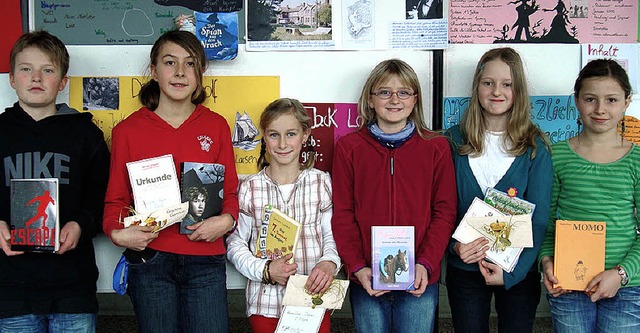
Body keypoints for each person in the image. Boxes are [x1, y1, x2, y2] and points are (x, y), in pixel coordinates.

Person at [102, 30, 239, 333]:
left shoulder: (216, 126)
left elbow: (229, 192)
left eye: (190, 64)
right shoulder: (128, 131)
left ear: (201, 72)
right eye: (169, 62)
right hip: (150, 260)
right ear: (153, 71)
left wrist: (226, 220)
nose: (179, 72)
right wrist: (117, 233)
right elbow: (115, 202)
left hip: (205, 259)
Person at [331, 59, 457, 332]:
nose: (394, 100)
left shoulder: (436, 147)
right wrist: (356, 266)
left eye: (404, 92)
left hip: (419, 278)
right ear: (371, 99)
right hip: (367, 278)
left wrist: (426, 262)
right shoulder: (349, 148)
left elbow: (445, 212)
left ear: (415, 99)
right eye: (384, 92)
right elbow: (342, 214)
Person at [0, 31, 110, 332]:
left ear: (62, 82)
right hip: (10, 288)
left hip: (72, 286)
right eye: (26, 69)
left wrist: (81, 225)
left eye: (47, 70)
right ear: (12, 78)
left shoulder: (86, 136)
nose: (36, 77)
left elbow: (103, 198)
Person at [444, 47, 552, 333]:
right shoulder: (452, 142)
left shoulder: (534, 146)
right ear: (477, 86)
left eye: (507, 84)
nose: (496, 91)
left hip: (517, 272)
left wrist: (512, 273)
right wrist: (454, 247)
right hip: (465, 268)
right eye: (488, 83)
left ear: (518, 91)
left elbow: (539, 219)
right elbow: (440, 209)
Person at [538, 59, 640, 332]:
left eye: (611, 100)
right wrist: (547, 261)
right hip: (569, 282)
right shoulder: (557, 154)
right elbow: (547, 223)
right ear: (577, 100)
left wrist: (620, 274)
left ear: (627, 102)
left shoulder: (637, 159)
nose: (600, 109)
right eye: (590, 99)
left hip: (626, 285)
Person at [227, 98, 340, 333]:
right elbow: (235, 243)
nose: (282, 144)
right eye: (273, 135)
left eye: (291, 134)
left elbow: (332, 235)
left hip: (312, 298)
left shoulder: (321, 182)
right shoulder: (250, 187)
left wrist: (329, 262)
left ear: (305, 135)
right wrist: (265, 270)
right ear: (264, 137)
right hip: (265, 302)